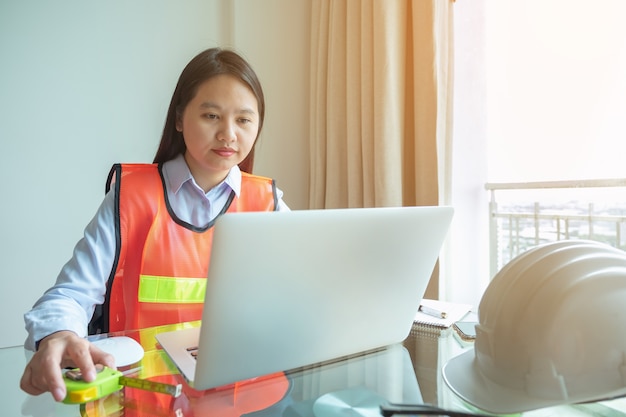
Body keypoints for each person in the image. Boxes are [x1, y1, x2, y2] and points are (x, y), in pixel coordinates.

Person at [19, 47, 289, 402]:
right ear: (179, 118)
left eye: (243, 120)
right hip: (143, 397)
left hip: (245, 399)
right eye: (211, 115)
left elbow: (305, 296)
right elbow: (71, 294)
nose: (228, 134)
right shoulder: (130, 197)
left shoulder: (268, 203)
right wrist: (58, 334)